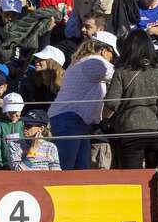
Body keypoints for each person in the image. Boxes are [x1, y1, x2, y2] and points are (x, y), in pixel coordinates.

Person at [104, 29, 158, 168]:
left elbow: (111, 102)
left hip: (129, 130)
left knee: (132, 180)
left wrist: (119, 113)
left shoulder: (122, 72)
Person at [47, 31, 118, 170]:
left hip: (74, 120)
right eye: (112, 55)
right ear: (104, 50)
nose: (112, 59)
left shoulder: (82, 62)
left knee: (78, 170)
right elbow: (121, 77)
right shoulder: (95, 62)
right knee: (67, 170)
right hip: (70, 120)